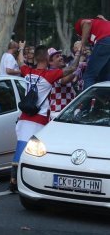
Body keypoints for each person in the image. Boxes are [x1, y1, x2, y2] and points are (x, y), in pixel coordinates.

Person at [9, 42, 82, 192]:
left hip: (24, 118)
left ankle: (15, 180)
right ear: (47, 58)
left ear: (35, 58)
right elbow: (72, 68)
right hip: (40, 119)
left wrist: (22, 48)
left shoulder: (27, 72)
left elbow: (20, 61)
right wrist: (79, 54)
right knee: (33, 151)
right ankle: (19, 180)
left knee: (22, 148)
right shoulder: (50, 75)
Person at [74, 15, 110, 89]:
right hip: (106, 42)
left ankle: (88, 100)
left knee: (88, 76)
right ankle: (105, 99)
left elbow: (87, 23)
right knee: (104, 76)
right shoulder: (101, 24)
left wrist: (82, 43)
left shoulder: (81, 23)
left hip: (105, 40)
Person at [48, 47, 77, 119]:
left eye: (60, 55)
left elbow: (72, 80)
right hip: (58, 113)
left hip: (68, 111)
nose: (61, 57)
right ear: (51, 62)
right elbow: (65, 80)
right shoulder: (51, 73)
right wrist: (76, 70)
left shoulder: (62, 71)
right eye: (57, 56)